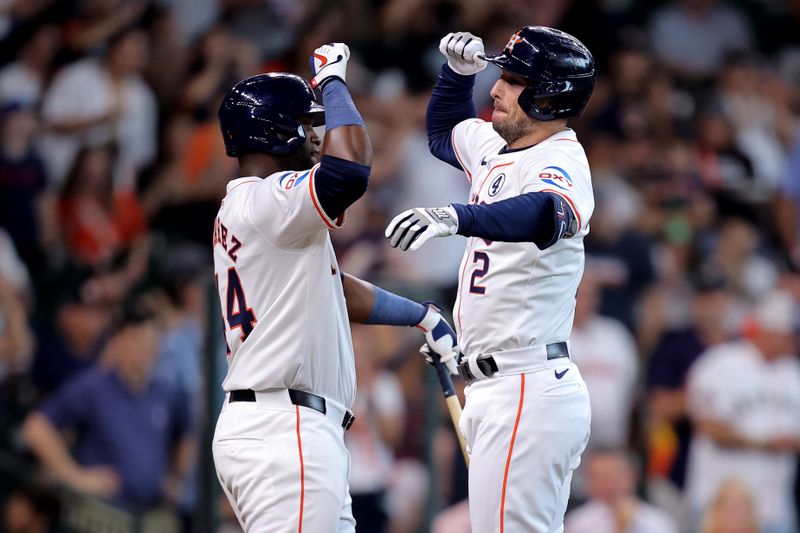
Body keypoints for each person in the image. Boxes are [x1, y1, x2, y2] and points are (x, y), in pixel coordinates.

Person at [211, 43, 460, 532]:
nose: (316, 138)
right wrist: (334, 81)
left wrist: (421, 315)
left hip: (278, 427)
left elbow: (334, 289)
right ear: (273, 132)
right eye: (305, 126)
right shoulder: (269, 201)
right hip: (287, 429)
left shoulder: (255, 210)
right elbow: (349, 171)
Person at [386, 26, 597, 532]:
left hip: (525, 384)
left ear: (549, 95)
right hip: (498, 385)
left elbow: (545, 212)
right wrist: (456, 75)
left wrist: (459, 217)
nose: (497, 89)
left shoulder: (562, 158)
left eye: (514, 79)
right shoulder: (502, 147)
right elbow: (443, 132)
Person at [22, 303, 195, 512]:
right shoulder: (93, 387)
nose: (145, 348)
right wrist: (75, 476)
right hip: (103, 516)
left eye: (152, 340)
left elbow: (187, 432)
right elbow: (36, 428)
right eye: (137, 339)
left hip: (151, 516)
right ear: (118, 340)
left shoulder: (165, 392)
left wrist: (177, 476)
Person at [685, 290, 800, 533]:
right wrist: (764, 442)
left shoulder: (793, 372)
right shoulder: (721, 362)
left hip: (777, 507)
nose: (794, 341)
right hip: (720, 507)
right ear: (768, 331)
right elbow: (708, 426)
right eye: (790, 335)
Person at [564, 448, 679, 533]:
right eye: (597, 477)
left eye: (611, 475)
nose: (604, 483)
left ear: (631, 476)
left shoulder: (658, 522)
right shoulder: (578, 523)